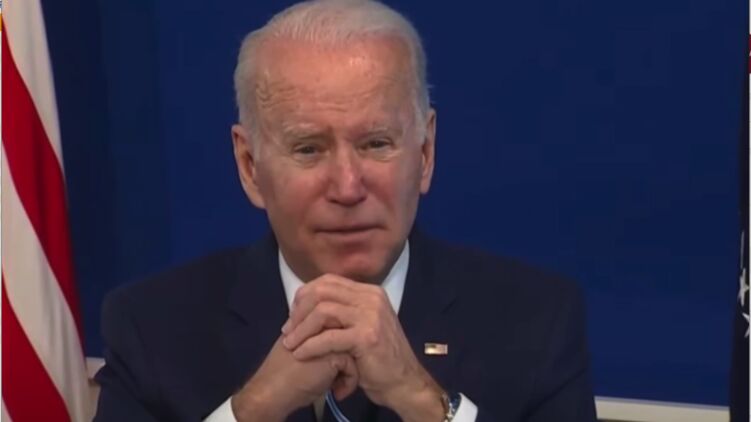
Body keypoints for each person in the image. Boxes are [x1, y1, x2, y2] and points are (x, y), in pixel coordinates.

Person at [93, 1, 597, 421]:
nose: (348, 187)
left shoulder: (537, 324)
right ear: (249, 167)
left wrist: (421, 400)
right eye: (309, 149)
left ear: (425, 153)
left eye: (376, 143)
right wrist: (253, 409)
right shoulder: (152, 328)